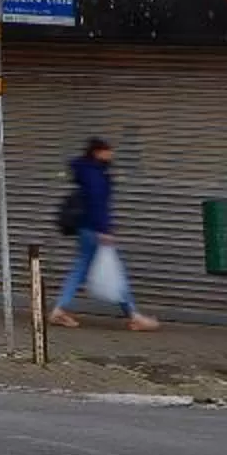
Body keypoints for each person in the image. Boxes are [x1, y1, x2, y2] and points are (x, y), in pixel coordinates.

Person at [51, 135, 158, 331]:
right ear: (97, 152)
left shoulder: (90, 170)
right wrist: (104, 229)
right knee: (116, 271)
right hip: (94, 229)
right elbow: (97, 202)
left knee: (81, 269)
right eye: (108, 150)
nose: (111, 154)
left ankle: (60, 309)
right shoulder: (94, 173)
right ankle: (133, 315)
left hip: (87, 228)